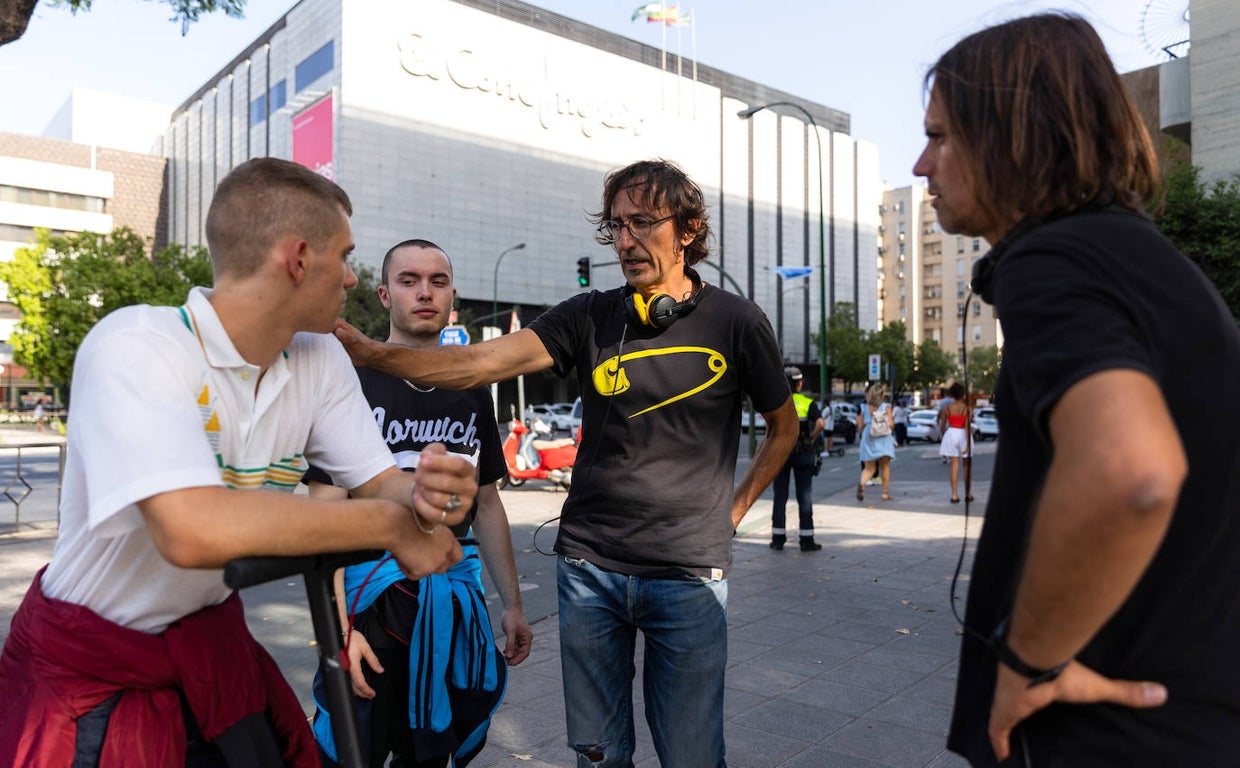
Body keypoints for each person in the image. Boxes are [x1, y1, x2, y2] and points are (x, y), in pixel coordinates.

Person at [0, 158, 478, 766]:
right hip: (89, 672)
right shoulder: (136, 344)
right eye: (345, 255)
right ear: (299, 259)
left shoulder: (320, 358)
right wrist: (389, 526)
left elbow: (382, 484)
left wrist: (430, 495)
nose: (353, 280)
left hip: (207, 648)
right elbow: (192, 529)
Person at [334, 158, 798, 767]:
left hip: (688, 576)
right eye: (616, 227)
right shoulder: (589, 315)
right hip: (588, 573)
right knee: (598, 756)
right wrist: (370, 353)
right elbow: (476, 364)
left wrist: (731, 513)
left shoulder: (737, 322)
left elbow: (784, 428)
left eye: (642, 223)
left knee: (692, 755)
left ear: (687, 230)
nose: (625, 241)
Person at [916, 13, 1240, 767]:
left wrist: (1030, 663)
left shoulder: (1055, 259)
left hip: (1110, 736)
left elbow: (1130, 471)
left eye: (940, 136)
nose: (923, 164)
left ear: (1010, 138)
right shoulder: (1133, 257)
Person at [305, 240, 533, 767]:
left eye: (438, 281)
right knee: (350, 755)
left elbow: (490, 504)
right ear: (385, 295)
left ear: (453, 295)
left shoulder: (472, 387)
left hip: (450, 610)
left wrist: (513, 606)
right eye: (409, 281)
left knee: (430, 757)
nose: (424, 292)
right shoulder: (349, 382)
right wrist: (336, 635)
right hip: (367, 611)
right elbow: (323, 518)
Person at [768, 366, 824, 552]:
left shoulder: (777, 402)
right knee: (804, 497)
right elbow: (821, 423)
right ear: (800, 383)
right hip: (803, 452)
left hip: (781, 454)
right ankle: (806, 540)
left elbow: (770, 427)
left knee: (780, 497)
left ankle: (777, 539)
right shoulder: (808, 403)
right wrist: (811, 439)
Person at [855, 383, 895, 502]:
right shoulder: (887, 406)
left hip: (869, 435)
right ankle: (884, 493)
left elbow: (860, 426)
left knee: (869, 468)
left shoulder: (864, 407)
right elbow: (891, 424)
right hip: (883, 436)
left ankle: (862, 484)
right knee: (885, 466)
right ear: (882, 395)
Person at [937, 382, 972, 503]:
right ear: (963, 394)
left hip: (951, 433)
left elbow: (942, 426)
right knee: (967, 466)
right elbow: (968, 427)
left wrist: (943, 435)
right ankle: (968, 494)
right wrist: (967, 443)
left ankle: (954, 495)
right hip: (963, 434)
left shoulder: (947, 408)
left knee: (954, 465)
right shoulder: (967, 409)